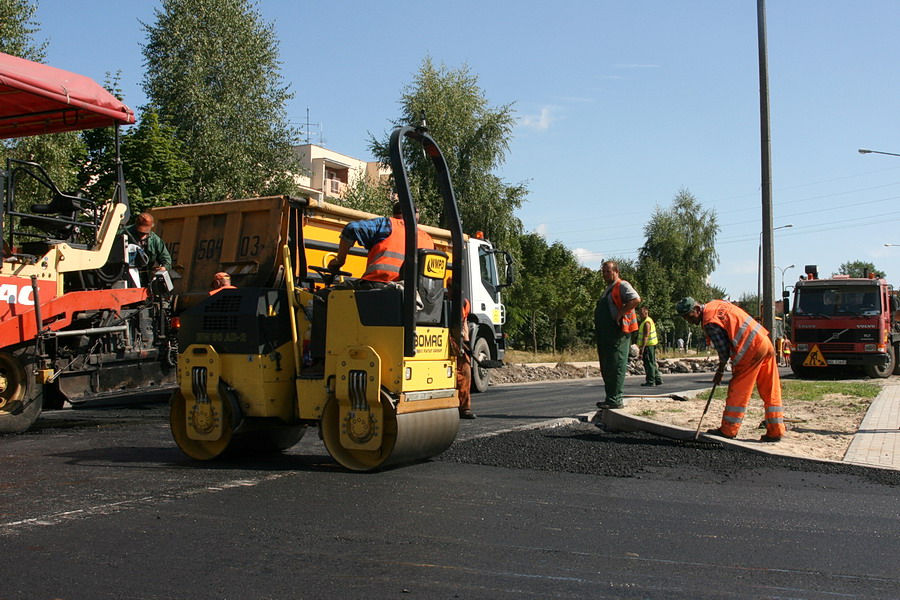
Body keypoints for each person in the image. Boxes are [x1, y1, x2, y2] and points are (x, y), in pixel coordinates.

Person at [675, 297, 786, 442]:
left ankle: (728, 430)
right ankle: (776, 430)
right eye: (686, 319)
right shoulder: (716, 303)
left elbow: (724, 352)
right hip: (764, 342)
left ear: (696, 310)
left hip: (749, 350)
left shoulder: (709, 322)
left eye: (690, 317)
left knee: (737, 390)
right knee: (770, 388)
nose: (690, 321)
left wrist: (720, 372)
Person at [327, 201, 434, 286]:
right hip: (413, 294)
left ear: (395, 214)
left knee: (326, 297)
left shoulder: (388, 225)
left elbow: (351, 228)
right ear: (416, 216)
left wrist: (339, 260)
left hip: (378, 285)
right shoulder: (429, 240)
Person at [594, 260, 640, 409]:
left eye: (608, 271)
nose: (605, 274)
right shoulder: (608, 289)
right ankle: (610, 398)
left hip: (617, 334)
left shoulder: (622, 285)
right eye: (604, 272)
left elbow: (635, 299)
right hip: (606, 335)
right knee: (607, 366)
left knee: (616, 365)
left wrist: (621, 312)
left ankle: (615, 399)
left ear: (616, 272)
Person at [637, 306, 663, 387]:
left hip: (648, 345)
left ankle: (651, 381)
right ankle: (658, 379)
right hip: (650, 345)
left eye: (641, 313)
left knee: (649, 363)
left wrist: (642, 348)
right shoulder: (647, 320)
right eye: (639, 313)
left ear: (646, 313)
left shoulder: (646, 323)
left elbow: (645, 336)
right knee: (652, 362)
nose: (640, 315)